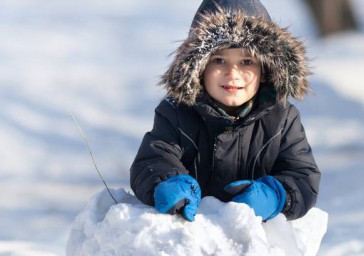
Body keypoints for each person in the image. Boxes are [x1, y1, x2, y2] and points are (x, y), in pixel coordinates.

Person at [130, 0, 320, 222]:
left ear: (266, 69)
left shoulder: (282, 119)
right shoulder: (176, 113)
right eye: (219, 60)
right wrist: (168, 182)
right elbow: (154, 159)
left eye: (247, 61)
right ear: (199, 68)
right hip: (189, 229)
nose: (233, 73)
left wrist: (275, 195)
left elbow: (302, 175)